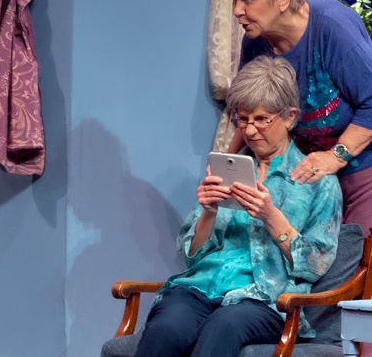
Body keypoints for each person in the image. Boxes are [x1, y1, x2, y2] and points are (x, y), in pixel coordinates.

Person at [224, 0, 372, 341]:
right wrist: (228, 166)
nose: (237, 11)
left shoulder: (331, 26)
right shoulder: (256, 42)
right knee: (322, 275)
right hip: (320, 162)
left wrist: (335, 156)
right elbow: (251, 108)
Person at [135, 55, 342, 357]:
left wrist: (272, 217)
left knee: (223, 326)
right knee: (167, 327)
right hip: (202, 287)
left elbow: (315, 266)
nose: (250, 130)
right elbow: (191, 256)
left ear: (289, 116)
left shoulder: (317, 183)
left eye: (261, 119)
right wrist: (208, 212)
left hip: (266, 299)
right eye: (242, 119)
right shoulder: (228, 169)